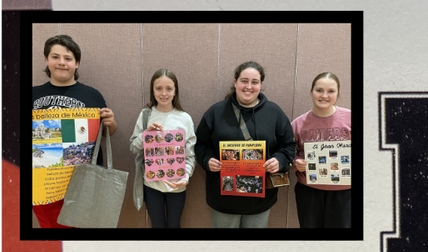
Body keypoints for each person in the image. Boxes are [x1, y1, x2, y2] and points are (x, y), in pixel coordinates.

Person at [195, 61, 296, 228]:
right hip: (224, 200)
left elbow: (289, 147)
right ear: (235, 82)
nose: (249, 86)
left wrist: (279, 160)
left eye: (254, 82)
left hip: (260, 201)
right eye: (244, 80)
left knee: (253, 251)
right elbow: (200, 144)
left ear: (261, 84)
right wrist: (207, 160)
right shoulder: (216, 112)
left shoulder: (274, 113)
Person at [31, 34, 117, 228]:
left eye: (68, 58)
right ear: (46, 60)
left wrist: (110, 123)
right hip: (46, 184)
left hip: (84, 183)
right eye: (55, 57)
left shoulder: (92, 95)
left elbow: (107, 134)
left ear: (76, 63)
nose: (62, 62)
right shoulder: (32, 94)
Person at [128, 69, 196, 228]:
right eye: (159, 88)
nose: (163, 93)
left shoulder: (184, 118)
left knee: (174, 226)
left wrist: (185, 176)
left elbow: (190, 155)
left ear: (175, 90)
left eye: (169, 88)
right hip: (151, 185)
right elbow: (133, 148)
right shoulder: (146, 115)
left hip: (177, 185)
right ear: (153, 90)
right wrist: (147, 134)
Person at [291, 72, 352, 228]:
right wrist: (296, 162)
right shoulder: (298, 124)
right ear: (311, 92)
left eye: (331, 91)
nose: (324, 95)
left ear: (338, 94)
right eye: (319, 90)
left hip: (344, 193)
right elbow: (288, 154)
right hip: (309, 191)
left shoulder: (350, 118)